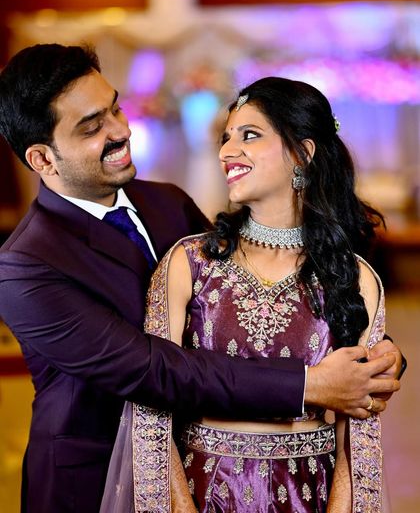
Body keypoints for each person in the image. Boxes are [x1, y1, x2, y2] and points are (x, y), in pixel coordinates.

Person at [0, 45, 401, 513]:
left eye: (114, 109)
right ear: (43, 159)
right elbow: (153, 369)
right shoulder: (25, 266)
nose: (121, 130)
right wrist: (310, 385)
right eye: (92, 127)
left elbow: (247, 297)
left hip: (206, 471)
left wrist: (371, 353)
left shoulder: (167, 203)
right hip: (91, 480)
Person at [102, 77, 399, 513]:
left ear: (303, 153)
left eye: (250, 135)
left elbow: (357, 443)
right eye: (226, 138)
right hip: (205, 492)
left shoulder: (352, 277)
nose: (227, 151)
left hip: (307, 497)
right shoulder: (190, 263)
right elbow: (152, 411)